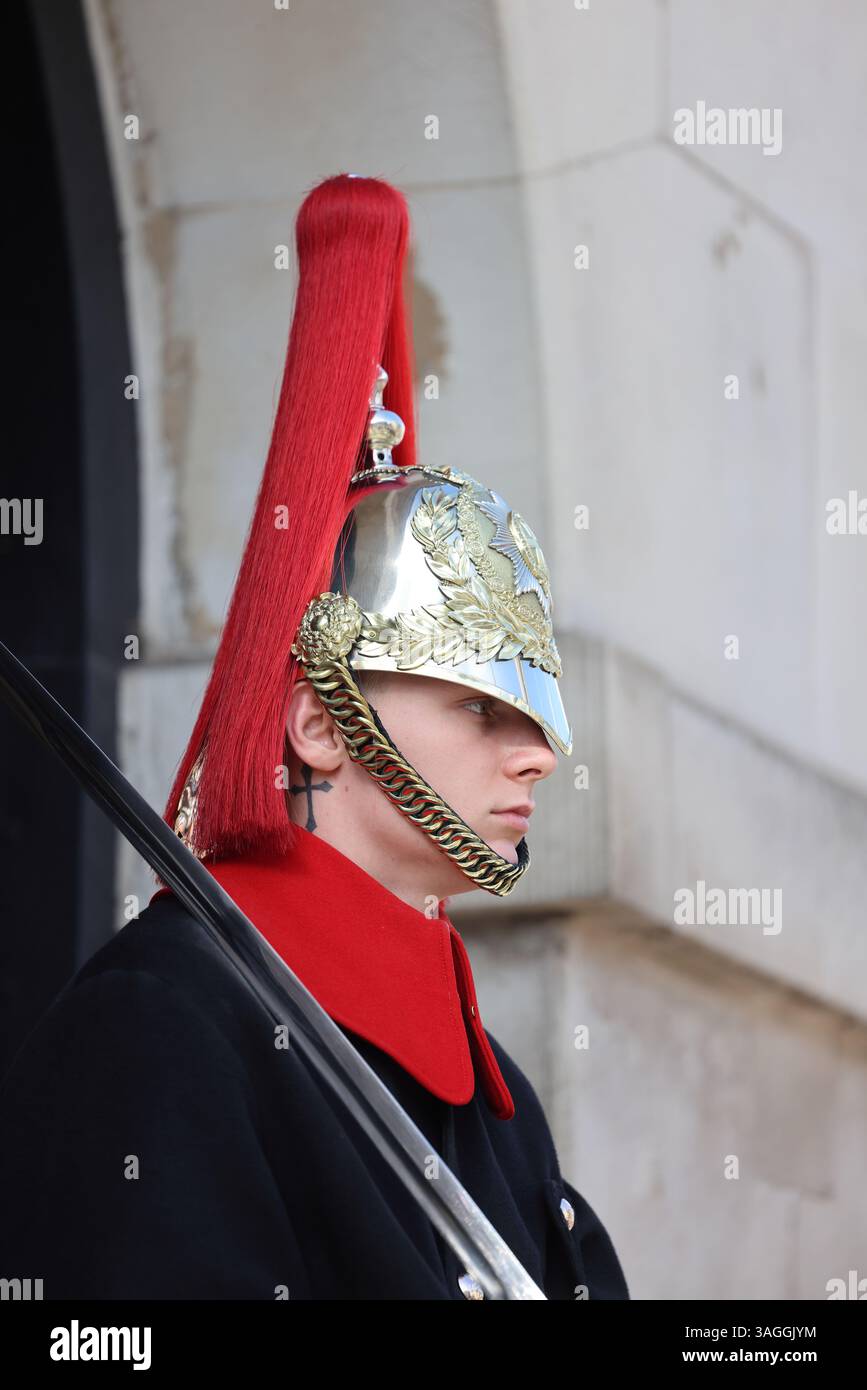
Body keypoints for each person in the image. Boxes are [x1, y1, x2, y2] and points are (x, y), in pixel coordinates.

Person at [0, 173, 628, 1301]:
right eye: (484, 707)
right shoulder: (163, 1029)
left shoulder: (503, 1105)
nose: (535, 755)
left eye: (533, 717)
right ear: (319, 727)